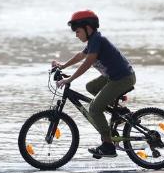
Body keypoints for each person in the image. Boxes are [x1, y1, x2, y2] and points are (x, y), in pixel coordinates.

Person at [52, 10, 135, 158]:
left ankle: (108, 145)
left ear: (87, 28)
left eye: (77, 31)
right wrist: (62, 66)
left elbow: (87, 62)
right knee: (91, 87)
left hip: (122, 78)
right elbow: (80, 56)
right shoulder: (93, 40)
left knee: (95, 109)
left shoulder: (97, 39)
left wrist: (69, 79)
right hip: (115, 77)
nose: (76, 35)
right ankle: (120, 113)